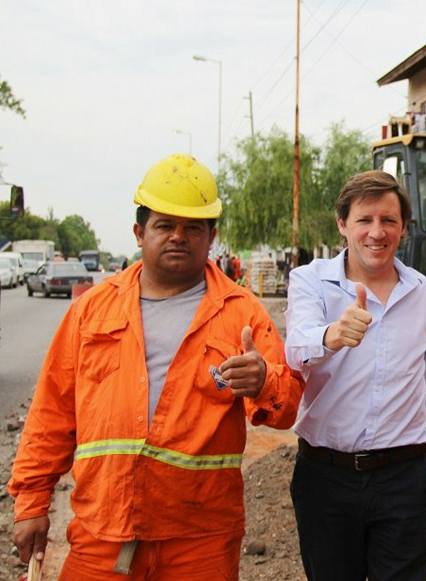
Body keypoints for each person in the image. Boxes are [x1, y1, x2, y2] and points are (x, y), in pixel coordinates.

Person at [8, 153, 304, 580]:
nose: (178, 237)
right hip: (101, 532)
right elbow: (52, 412)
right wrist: (32, 503)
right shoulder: (92, 311)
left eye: (193, 228)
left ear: (211, 237)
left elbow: (289, 406)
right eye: (165, 225)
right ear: (139, 232)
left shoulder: (241, 313)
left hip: (199, 538)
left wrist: (264, 382)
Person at [284, 170, 426, 581]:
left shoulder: (420, 291)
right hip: (325, 479)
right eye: (365, 220)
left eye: (388, 220)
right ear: (342, 224)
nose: (376, 232)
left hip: (404, 480)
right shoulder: (311, 281)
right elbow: (295, 349)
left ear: (403, 227)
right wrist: (332, 335)